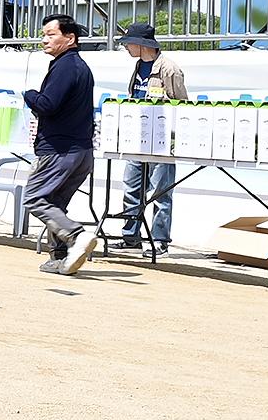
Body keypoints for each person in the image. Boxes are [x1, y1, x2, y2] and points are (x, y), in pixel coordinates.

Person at [24, 15, 99, 275]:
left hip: (59, 150)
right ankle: (61, 257)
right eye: (43, 35)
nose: (44, 40)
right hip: (81, 151)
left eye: (51, 34)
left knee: (34, 197)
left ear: (70, 38)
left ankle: (76, 236)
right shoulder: (78, 66)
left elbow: (47, 105)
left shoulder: (66, 66)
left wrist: (29, 95)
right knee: (55, 203)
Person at [114, 22, 189, 256]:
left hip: (162, 142)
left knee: (161, 192)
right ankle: (131, 237)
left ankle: (160, 241)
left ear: (141, 44)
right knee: (131, 188)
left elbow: (182, 106)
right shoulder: (139, 65)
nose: (126, 47)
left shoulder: (169, 69)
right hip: (137, 139)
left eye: (128, 43)